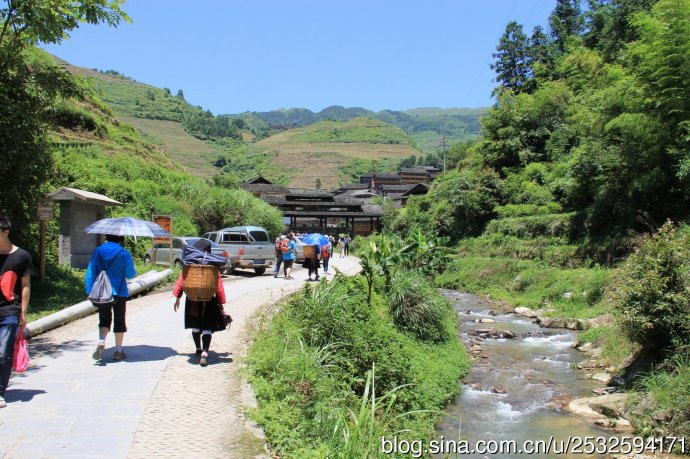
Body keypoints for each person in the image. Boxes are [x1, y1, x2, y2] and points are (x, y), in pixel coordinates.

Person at [173, 239, 227, 367]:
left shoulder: (190, 263)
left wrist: (177, 297)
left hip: (192, 299)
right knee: (207, 326)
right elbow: (218, 285)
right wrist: (221, 303)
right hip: (209, 299)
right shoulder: (213, 265)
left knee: (195, 325)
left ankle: (198, 348)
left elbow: (182, 280)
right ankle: (205, 353)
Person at [85, 234, 136, 362]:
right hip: (119, 292)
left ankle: (101, 340)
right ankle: (118, 351)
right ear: (121, 238)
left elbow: (91, 271)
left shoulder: (99, 251)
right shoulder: (124, 253)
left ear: (107, 237)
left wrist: (90, 290)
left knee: (104, 318)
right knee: (120, 320)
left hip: (102, 292)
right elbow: (130, 274)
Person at [0, 216, 32, 409]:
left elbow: (25, 285)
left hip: (9, 310)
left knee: (3, 352)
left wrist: (23, 311)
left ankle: (0, 390)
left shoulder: (22, 256)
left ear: (6, 232)